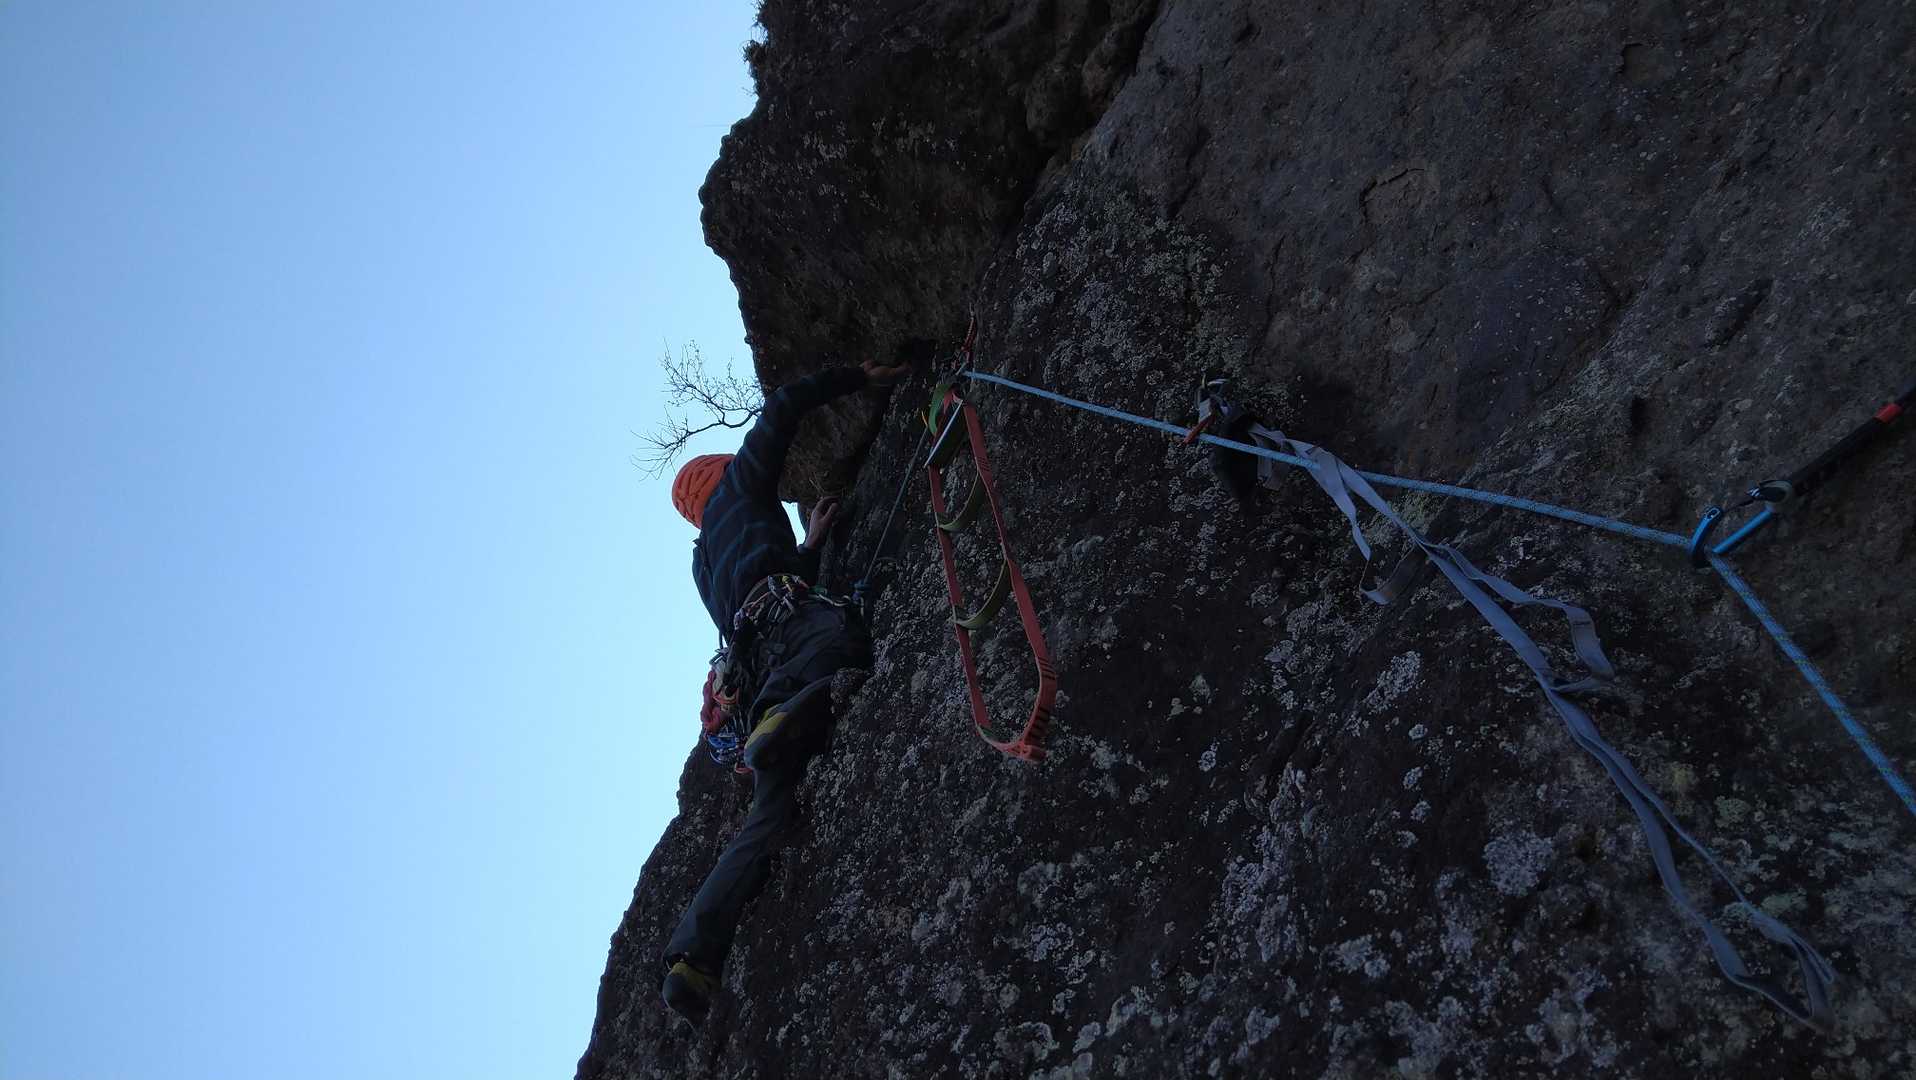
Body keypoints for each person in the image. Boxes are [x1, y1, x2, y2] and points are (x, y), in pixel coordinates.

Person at [659, 356, 911, 1029]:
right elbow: (782, 411)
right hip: (795, 636)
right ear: (720, 473)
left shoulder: (705, 563)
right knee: (844, 646)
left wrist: (813, 543)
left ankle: (692, 956)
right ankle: (787, 713)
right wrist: (860, 376)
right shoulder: (740, 486)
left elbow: (756, 586)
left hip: (757, 669)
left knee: (766, 821)